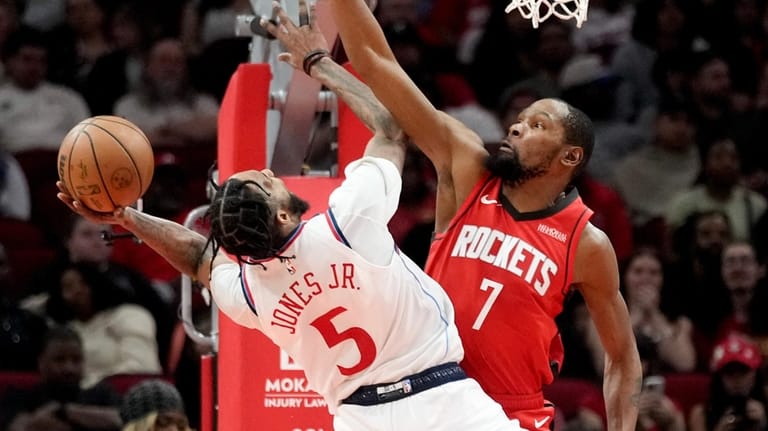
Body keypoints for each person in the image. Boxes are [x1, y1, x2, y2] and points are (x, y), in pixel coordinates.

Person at [56, 2, 517, 429]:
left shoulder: (254, 292)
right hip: (443, 399)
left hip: (362, 419)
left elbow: (199, 258)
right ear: (279, 213)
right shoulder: (345, 224)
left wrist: (128, 219)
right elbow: (390, 129)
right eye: (259, 180)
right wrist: (320, 64)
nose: (262, 169)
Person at [319, 0, 643, 428]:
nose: (515, 127)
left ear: (570, 156)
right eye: (519, 120)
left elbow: (622, 359)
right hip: (429, 398)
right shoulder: (468, 170)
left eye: (537, 125)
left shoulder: (585, 242)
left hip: (513, 414)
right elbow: (380, 63)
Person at [0, 325, 122, 431]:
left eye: (76, 360)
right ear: (41, 363)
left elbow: (122, 419)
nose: (69, 368)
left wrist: (65, 411)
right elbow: (18, 427)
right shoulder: (19, 396)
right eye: (59, 360)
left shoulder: (101, 394)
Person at [688, 334, 768, 431]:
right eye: (729, 372)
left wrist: (764, 424)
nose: (737, 379)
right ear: (719, 377)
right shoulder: (701, 414)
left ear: (755, 374)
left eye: (743, 371)